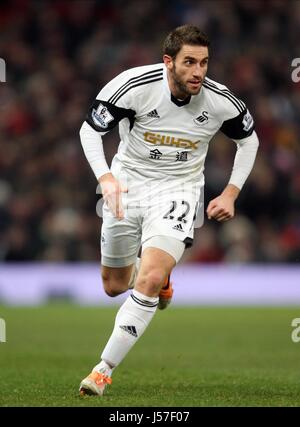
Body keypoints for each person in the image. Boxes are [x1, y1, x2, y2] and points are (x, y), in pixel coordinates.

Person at [78, 24, 259, 396]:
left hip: (179, 192)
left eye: (204, 63)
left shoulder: (220, 101)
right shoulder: (134, 86)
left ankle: (102, 369)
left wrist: (230, 193)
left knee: (147, 278)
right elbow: (89, 132)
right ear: (168, 62)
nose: (198, 72)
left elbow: (250, 142)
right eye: (189, 62)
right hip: (127, 188)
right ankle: (161, 282)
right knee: (114, 286)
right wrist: (107, 179)